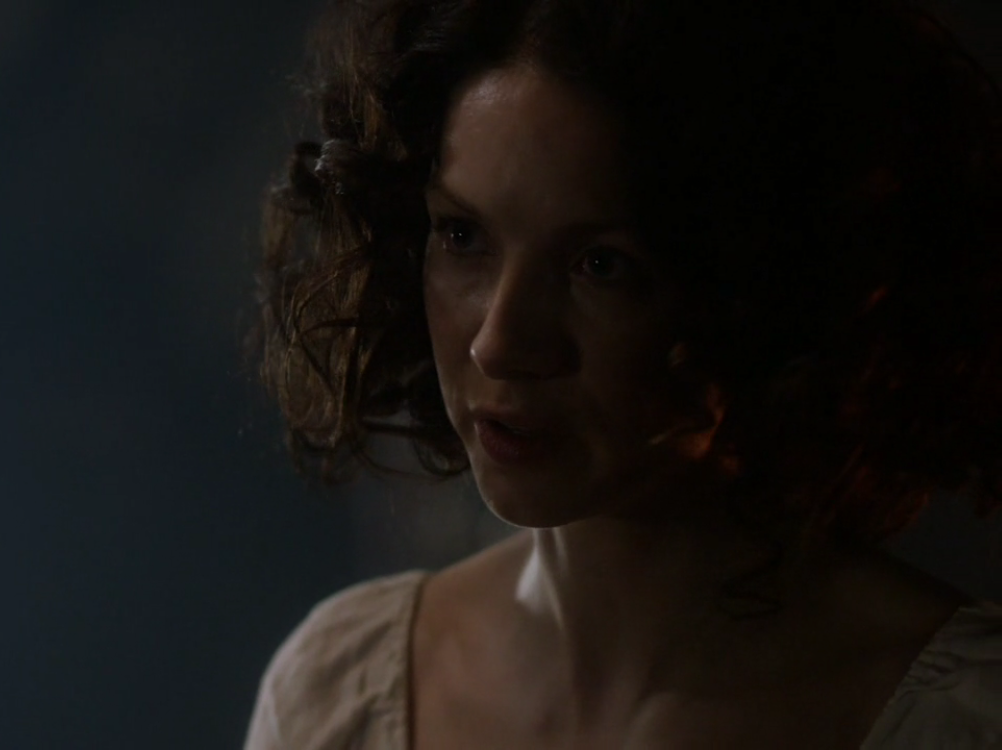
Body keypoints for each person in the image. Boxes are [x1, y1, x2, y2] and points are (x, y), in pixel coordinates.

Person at [246, 0, 1002, 746]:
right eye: (462, 235)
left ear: (770, 292)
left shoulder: (962, 721)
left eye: (601, 265)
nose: (499, 344)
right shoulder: (338, 696)